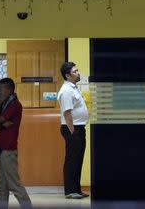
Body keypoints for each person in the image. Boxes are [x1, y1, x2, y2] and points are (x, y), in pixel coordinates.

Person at [0, 77, 32, 209]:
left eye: (0, 89)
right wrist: (1, 123)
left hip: (8, 149)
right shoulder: (5, 104)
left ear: (8, 90)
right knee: (1, 187)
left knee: (14, 185)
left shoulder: (14, 105)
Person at [57, 62, 89, 199]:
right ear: (67, 75)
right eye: (75, 71)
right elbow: (67, 113)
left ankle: (76, 189)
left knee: (78, 159)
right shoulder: (66, 91)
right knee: (72, 160)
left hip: (79, 128)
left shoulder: (74, 88)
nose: (78, 73)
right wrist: (72, 132)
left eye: (77, 70)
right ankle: (70, 191)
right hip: (72, 129)